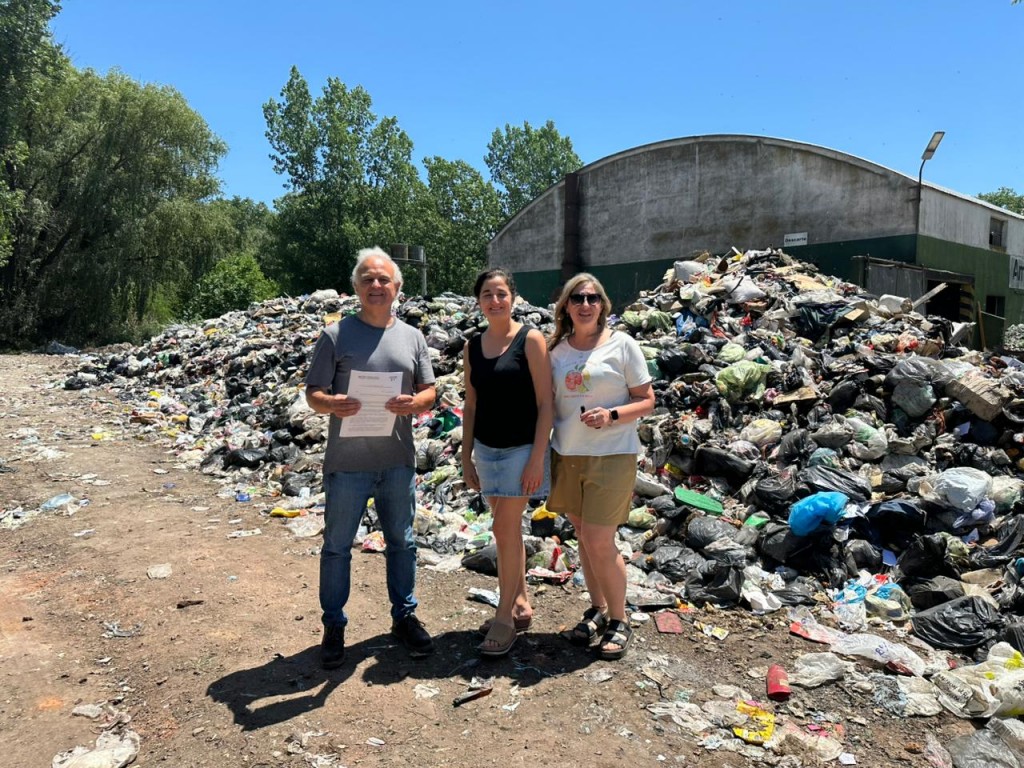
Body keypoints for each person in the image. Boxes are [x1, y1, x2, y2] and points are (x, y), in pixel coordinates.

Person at [305, 247, 437, 668]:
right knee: (337, 547)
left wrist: (415, 402)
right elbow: (313, 394)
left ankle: (404, 616)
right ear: (356, 288)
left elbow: (431, 391)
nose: (377, 286)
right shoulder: (336, 336)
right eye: (368, 279)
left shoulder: (413, 337)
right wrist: (333, 404)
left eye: (384, 280)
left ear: (397, 287)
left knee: (402, 542)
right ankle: (334, 624)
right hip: (347, 464)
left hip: (396, 460)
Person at [546, 273, 655, 660]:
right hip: (568, 454)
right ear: (567, 307)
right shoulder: (555, 351)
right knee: (581, 535)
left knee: (598, 539)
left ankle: (620, 620)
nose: (585, 304)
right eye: (577, 298)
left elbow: (646, 400)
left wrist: (611, 414)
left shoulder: (622, 345)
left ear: (603, 304)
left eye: (592, 297)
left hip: (612, 454)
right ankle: (598, 609)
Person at [461, 268, 553, 657]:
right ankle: (520, 603)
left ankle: (503, 618)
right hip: (487, 448)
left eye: (501, 293)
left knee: (503, 527)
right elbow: (471, 403)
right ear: (479, 301)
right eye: (487, 294)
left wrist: (536, 459)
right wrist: (466, 457)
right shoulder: (472, 346)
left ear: (512, 297)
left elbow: (546, 402)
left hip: (520, 450)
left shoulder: (530, 339)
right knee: (507, 530)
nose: (494, 300)